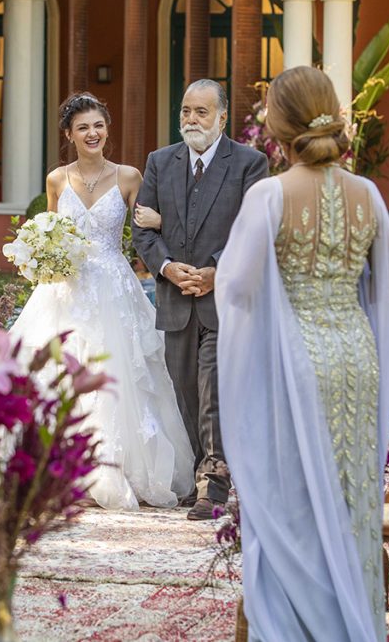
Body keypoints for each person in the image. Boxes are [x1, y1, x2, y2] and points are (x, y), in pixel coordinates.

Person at [216, 66, 389, 640]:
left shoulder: (269, 193)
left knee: (289, 493)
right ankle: (352, 615)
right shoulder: (367, 193)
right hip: (355, 355)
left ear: (276, 125)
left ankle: (302, 619)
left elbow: (238, 288)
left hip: (293, 361)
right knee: (350, 493)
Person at [8, 92, 194, 511]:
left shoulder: (129, 176)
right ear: (69, 134)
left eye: (98, 125)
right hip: (65, 290)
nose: (93, 133)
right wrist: (43, 254)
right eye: (83, 128)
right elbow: (50, 229)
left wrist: (160, 222)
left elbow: (149, 227)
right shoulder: (57, 179)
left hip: (115, 287)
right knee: (57, 372)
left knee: (119, 375)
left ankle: (117, 468)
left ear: (107, 129)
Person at [131, 79, 268, 521]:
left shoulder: (250, 163)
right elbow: (142, 230)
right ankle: (198, 472)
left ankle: (216, 481)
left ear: (222, 118)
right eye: (186, 110)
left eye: (201, 112)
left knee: (212, 386)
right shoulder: (159, 162)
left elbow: (254, 229)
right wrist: (168, 268)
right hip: (174, 297)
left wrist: (216, 272)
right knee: (183, 388)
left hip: (222, 299)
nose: (191, 119)